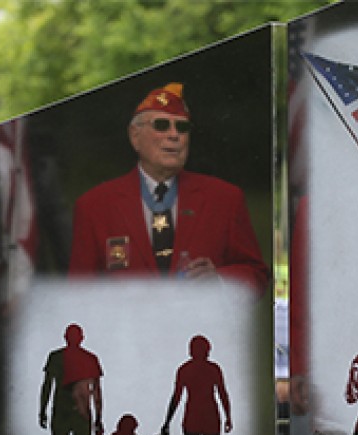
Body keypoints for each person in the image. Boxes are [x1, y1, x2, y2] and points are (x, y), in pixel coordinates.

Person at [68, 82, 270, 295]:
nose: (174, 135)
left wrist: (219, 281)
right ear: (135, 136)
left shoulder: (224, 199)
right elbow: (78, 295)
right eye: (162, 125)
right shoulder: (95, 206)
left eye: (182, 127)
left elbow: (256, 276)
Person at [163, 335, 232, 435]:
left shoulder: (185, 369)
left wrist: (167, 421)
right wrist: (228, 416)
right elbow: (222, 393)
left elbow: (176, 397)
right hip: (209, 418)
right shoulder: (213, 369)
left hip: (194, 418)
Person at [39, 324, 104, 435]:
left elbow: (47, 386)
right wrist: (98, 417)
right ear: (81, 338)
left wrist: (42, 409)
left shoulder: (56, 357)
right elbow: (96, 391)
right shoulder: (90, 358)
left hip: (62, 410)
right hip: (81, 413)